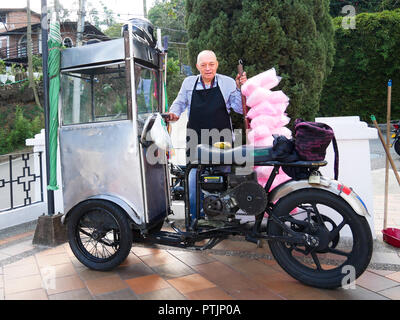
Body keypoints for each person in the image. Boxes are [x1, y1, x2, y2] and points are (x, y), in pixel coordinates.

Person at [166, 50, 247, 222]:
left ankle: (221, 220)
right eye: (203, 65)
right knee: (194, 181)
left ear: (216, 64)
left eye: (211, 64)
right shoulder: (189, 83)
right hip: (196, 140)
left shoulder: (227, 83)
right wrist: (173, 114)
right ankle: (196, 220)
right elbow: (179, 103)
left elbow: (240, 109)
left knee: (221, 183)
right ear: (197, 67)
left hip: (222, 142)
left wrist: (241, 89)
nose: (208, 68)